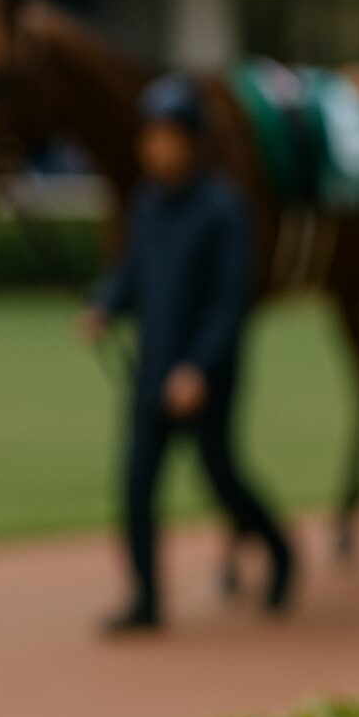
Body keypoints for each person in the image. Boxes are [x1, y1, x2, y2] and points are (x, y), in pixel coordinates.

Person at [79, 74, 294, 633]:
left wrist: (198, 368)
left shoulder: (225, 209)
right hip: (151, 371)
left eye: (167, 135)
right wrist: (105, 305)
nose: (155, 147)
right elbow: (133, 272)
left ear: (193, 142)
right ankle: (146, 602)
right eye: (149, 136)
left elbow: (230, 304)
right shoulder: (147, 203)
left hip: (207, 378)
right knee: (136, 483)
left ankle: (280, 549)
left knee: (222, 479)